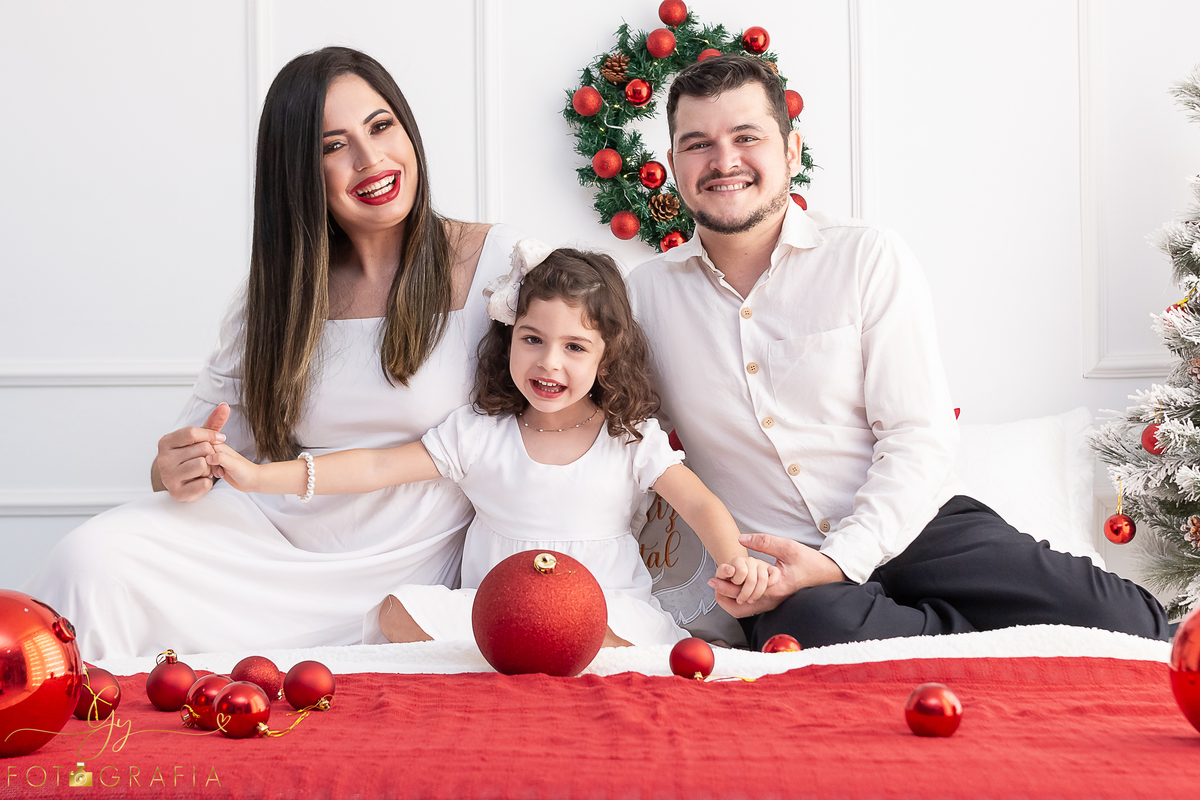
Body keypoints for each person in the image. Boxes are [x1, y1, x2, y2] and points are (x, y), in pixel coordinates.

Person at [627, 54, 1171, 649]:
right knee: (813, 631)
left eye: (746, 137)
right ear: (674, 164)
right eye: (697, 143)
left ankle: (919, 625)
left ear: (791, 151)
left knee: (1131, 627)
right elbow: (607, 428)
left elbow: (918, 434)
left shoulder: (866, 256)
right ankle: (977, 638)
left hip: (920, 528)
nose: (724, 161)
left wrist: (843, 560)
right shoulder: (641, 297)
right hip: (782, 571)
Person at [23, 47, 524, 661]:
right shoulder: (275, 295)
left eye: (380, 126)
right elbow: (183, 460)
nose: (371, 160)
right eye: (331, 146)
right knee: (90, 560)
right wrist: (176, 466)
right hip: (269, 542)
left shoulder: (505, 266)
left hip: (407, 567)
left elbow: (583, 414)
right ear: (298, 171)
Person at [206, 244, 778, 647]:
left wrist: (735, 560)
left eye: (576, 347)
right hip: (496, 619)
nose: (549, 362)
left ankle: (551, 660)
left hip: (600, 615)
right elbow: (377, 465)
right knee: (398, 612)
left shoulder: (627, 436)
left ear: (608, 355)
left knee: (612, 632)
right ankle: (515, 661)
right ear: (509, 337)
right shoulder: (481, 432)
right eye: (532, 339)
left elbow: (700, 503)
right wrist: (258, 477)